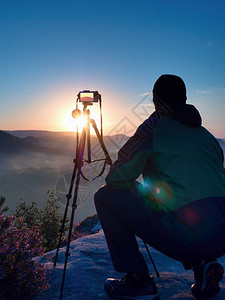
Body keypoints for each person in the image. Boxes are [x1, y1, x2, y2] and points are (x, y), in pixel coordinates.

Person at [94, 74, 225, 299]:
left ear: (154, 101)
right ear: (185, 99)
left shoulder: (153, 128)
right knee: (187, 203)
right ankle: (204, 266)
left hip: (188, 238)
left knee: (105, 196)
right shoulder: (207, 136)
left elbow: (116, 179)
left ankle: (138, 281)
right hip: (221, 235)